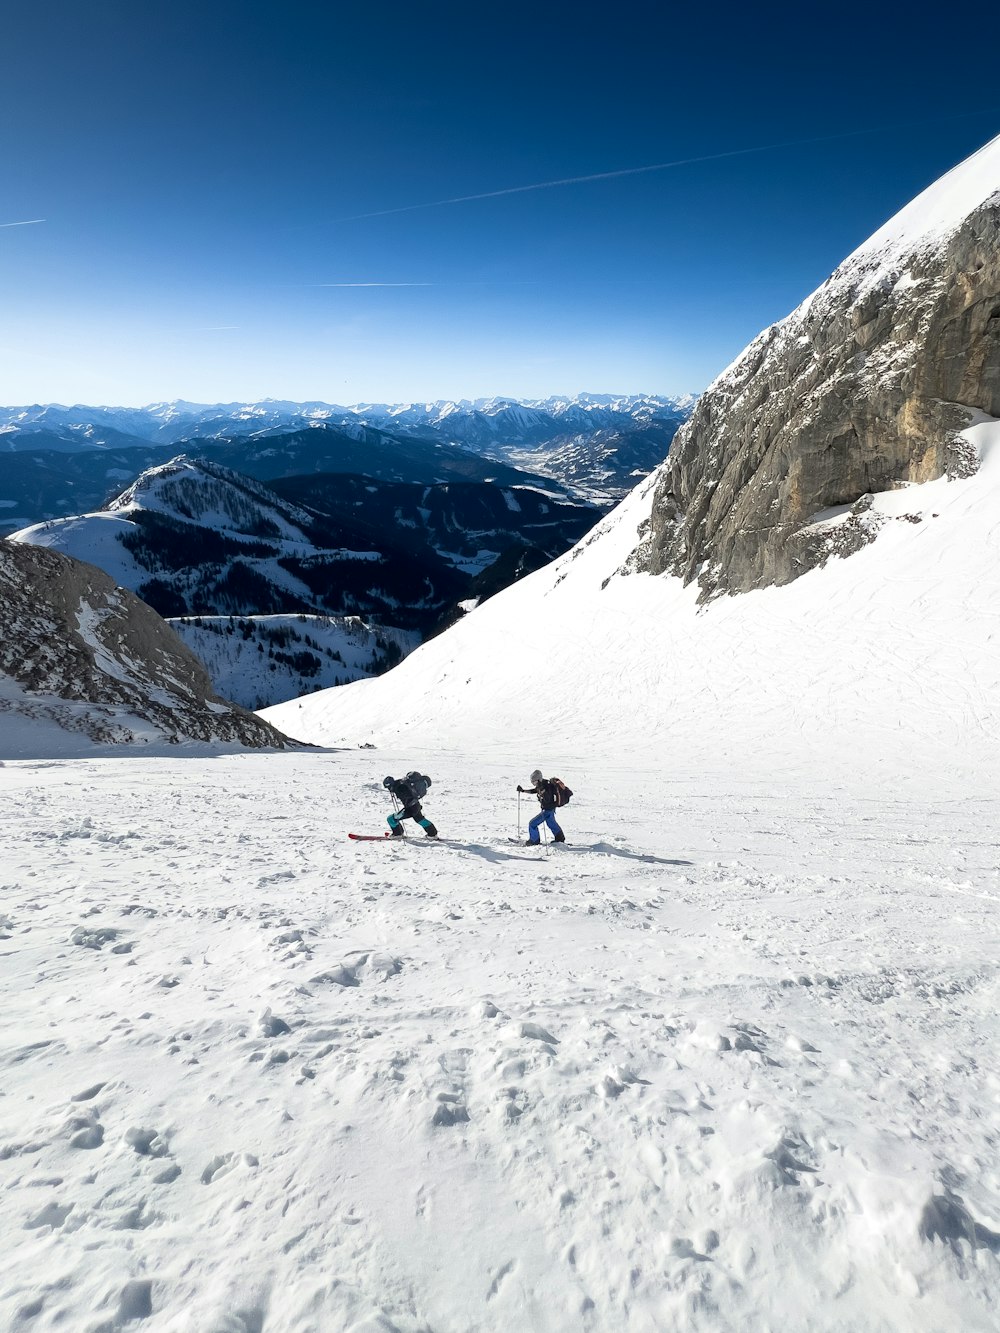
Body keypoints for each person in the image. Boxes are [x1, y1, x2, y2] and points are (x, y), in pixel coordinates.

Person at [517, 768, 566, 845]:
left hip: (548, 810)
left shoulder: (545, 786)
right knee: (551, 823)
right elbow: (534, 791)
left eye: (534, 782)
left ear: (539, 779)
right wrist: (523, 790)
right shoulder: (541, 785)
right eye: (532, 782)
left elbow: (547, 799)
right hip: (550, 809)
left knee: (532, 824)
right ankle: (560, 838)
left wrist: (543, 794)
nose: (534, 784)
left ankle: (534, 840)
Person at [383, 773, 437, 837]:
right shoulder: (401, 783)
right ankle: (432, 834)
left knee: (391, 819)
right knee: (420, 819)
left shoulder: (399, 788)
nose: (389, 789)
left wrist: (405, 809)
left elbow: (407, 797)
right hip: (416, 805)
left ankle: (398, 834)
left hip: (410, 809)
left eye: (388, 787)